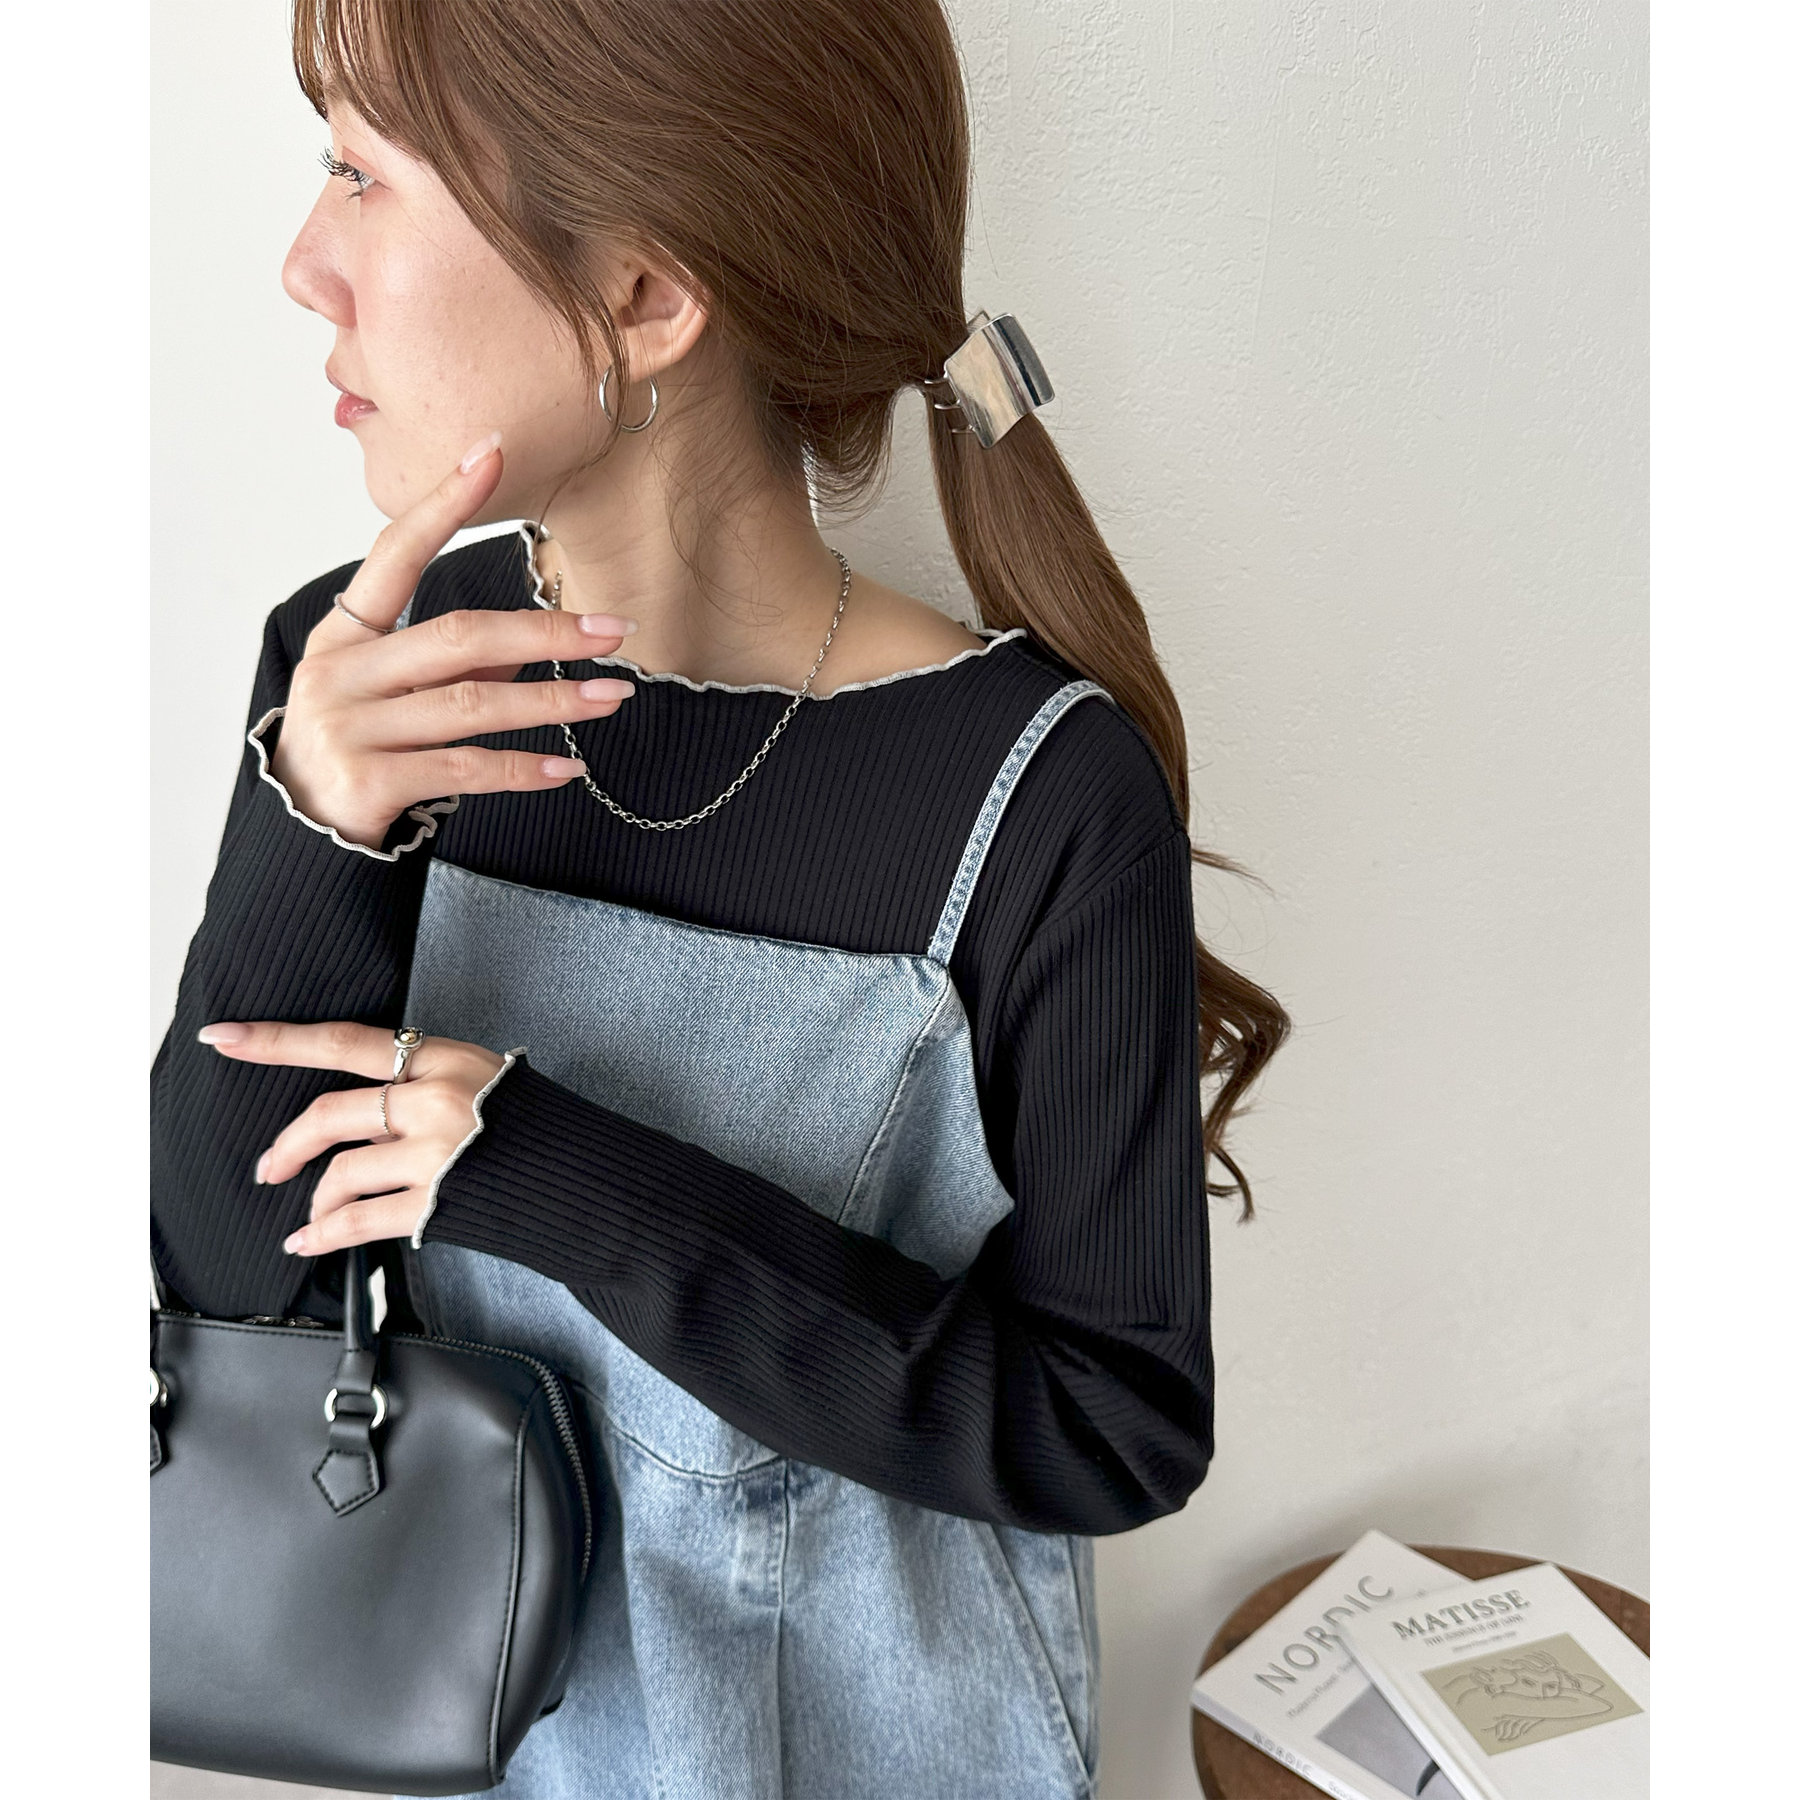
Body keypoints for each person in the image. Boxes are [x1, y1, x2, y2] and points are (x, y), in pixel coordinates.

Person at [149, 1, 1289, 1794]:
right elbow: (219, 1307)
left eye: (366, 177)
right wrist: (316, 827)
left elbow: (1111, 1427)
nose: (306, 264)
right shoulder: (363, 677)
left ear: (642, 299)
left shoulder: (1037, 799)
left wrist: (547, 1172)